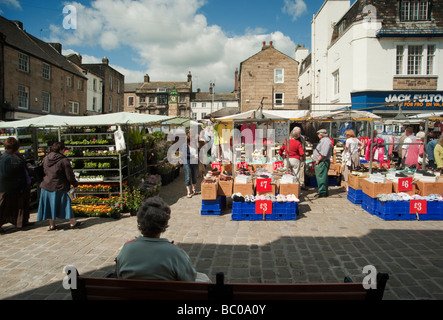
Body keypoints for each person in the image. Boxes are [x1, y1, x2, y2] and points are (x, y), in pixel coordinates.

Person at [115, 196, 209, 282]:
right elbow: (190, 279)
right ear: (164, 223)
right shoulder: (175, 253)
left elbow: (119, 274)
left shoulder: (127, 249)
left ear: (140, 221)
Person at [37, 141, 81, 230]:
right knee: (65, 204)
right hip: (59, 186)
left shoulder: (46, 158)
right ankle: (72, 222)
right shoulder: (64, 160)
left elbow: (44, 171)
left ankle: (52, 225)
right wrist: (75, 183)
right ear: (61, 150)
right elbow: (69, 175)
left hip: (46, 185)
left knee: (49, 205)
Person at [0, 137, 32, 233]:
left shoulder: (17, 155)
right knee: (4, 207)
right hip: (9, 187)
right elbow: (5, 174)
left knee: (21, 205)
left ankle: (21, 222)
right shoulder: (5, 158)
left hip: (21, 184)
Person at [312, 129, 333, 198]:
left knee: (321, 177)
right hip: (322, 161)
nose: (318, 135)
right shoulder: (324, 141)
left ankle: (322, 192)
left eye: (318, 134)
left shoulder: (326, 141)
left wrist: (318, 159)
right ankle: (322, 191)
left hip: (322, 161)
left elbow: (324, 153)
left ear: (321, 135)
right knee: (321, 177)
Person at [181, 132, 199, 198]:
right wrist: (193, 156)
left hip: (194, 162)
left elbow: (198, 151)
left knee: (194, 176)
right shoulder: (184, 145)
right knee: (188, 176)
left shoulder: (195, 145)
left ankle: (194, 190)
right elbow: (185, 155)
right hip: (187, 163)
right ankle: (188, 192)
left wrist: (198, 155)